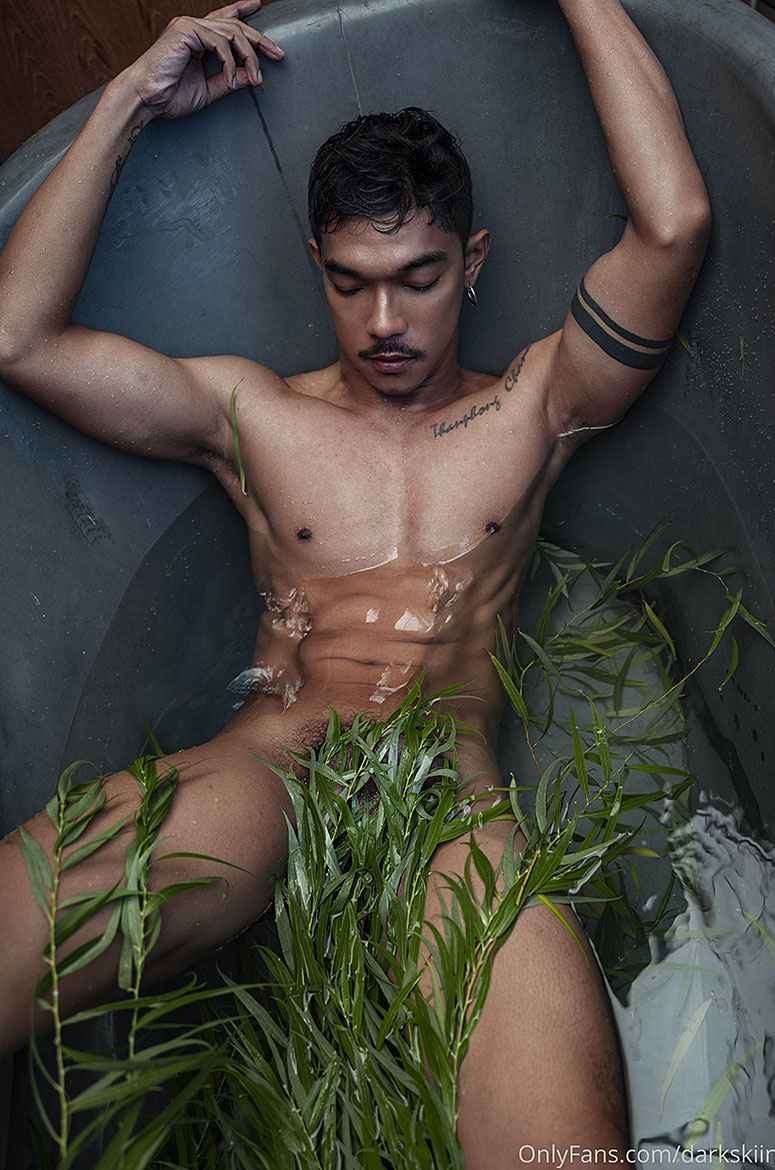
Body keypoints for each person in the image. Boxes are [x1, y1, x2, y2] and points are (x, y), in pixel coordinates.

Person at [0, 1, 711, 1165]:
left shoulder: (534, 406)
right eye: (351, 282)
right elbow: (18, 337)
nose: (384, 321)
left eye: (419, 277)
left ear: (472, 261)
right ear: (316, 270)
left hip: (452, 813)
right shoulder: (252, 413)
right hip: (277, 764)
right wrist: (129, 97)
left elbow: (674, 226)